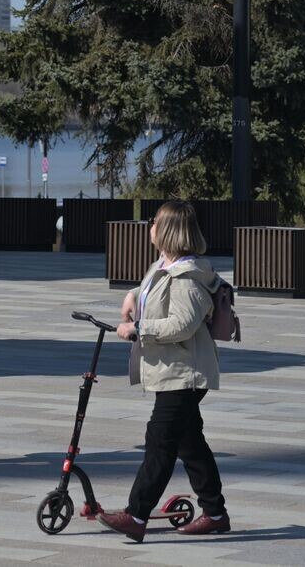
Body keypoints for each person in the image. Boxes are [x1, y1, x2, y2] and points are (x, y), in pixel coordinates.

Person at [98, 201, 230, 542]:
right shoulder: (163, 265)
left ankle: (136, 515)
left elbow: (182, 325)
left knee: (159, 442)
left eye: (154, 221)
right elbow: (153, 291)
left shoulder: (188, 277)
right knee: (190, 443)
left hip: (185, 373)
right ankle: (215, 514)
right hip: (172, 369)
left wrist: (139, 329)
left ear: (168, 230)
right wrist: (132, 295)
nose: (150, 226)